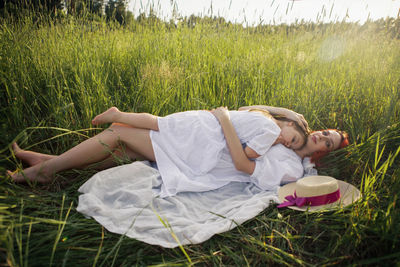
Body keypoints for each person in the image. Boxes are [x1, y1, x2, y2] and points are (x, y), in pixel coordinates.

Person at [7, 106, 348, 197]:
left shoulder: (292, 163)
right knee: (124, 147)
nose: (322, 137)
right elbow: (252, 111)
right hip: (202, 144)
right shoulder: (289, 129)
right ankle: (50, 162)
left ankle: (46, 171)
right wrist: (286, 115)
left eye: (327, 143)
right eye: (325, 132)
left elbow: (245, 165)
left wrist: (225, 120)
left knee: (117, 133)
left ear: (322, 154)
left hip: (201, 160)